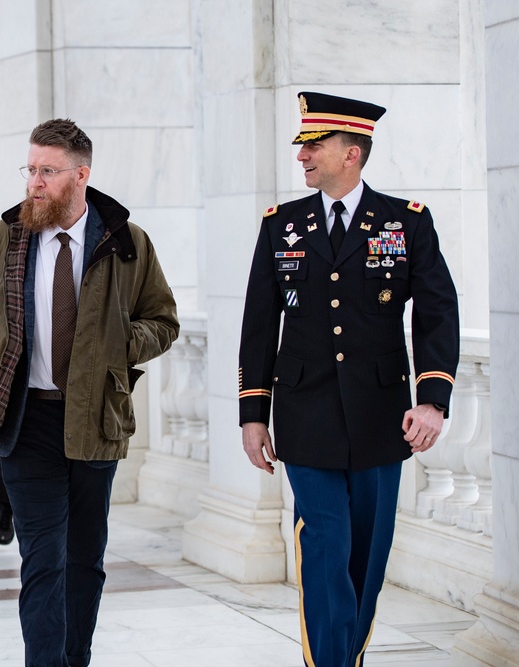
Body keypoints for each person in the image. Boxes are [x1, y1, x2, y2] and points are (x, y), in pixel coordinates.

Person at [238, 92, 460, 667]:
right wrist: (252, 414)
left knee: (367, 553)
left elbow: (437, 311)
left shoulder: (405, 222)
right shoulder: (281, 225)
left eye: (314, 146)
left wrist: (432, 400)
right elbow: (260, 324)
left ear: (352, 153)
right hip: (304, 415)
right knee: (326, 544)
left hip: (381, 417)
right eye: (303, 147)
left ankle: (348, 654)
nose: (303, 158)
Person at [0, 118, 179, 666]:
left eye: (47, 171)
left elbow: (163, 321)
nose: (34, 182)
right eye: (30, 169)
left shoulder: (127, 243)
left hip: (96, 417)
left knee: (84, 559)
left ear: (81, 175)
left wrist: (120, 343)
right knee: (43, 558)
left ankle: (77, 658)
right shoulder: (1, 239)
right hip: (25, 416)